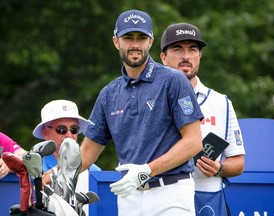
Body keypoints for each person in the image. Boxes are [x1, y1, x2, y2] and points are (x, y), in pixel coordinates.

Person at [80, 10, 204, 216]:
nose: (135, 44)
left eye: (141, 38)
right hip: (130, 198)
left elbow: (193, 141)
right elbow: (87, 153)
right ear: (116, 41)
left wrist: (147, 171)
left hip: (171, 193)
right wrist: (49, 177)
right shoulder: (109, 93)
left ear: (151, 41)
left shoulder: (173, 80)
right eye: (128, 38)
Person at [160, 22, 246, 216]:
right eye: (177, 49)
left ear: (199, 56)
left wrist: (219, 168)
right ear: (163, 58)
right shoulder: (150, 102)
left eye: (193, 49)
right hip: (163, 199)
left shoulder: (221, 102)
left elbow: (238, 162)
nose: (186, 56)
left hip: (209, 200)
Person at [32, 100, 101, 185]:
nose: (69, 135)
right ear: (45, 133)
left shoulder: (94, 171)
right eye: (61, 129)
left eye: (74, 129)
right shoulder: (33, 169)